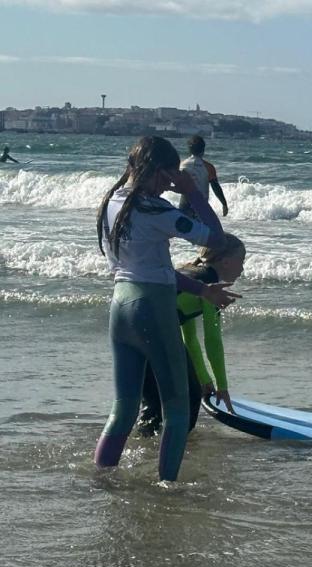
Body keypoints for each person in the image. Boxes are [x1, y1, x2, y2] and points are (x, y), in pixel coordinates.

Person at [94, 136, 238, 482]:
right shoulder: (155, 209)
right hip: (152, 311)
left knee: (123, 408)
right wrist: (191, 191)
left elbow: (152, 267)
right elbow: (217, 239)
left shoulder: (111, 203)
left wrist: (201, 289)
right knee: (176, 409)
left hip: (120, 308)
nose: (169, 185)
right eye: (168, 177)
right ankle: (166, 489)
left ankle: (101, 479)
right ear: (155, 171)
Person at [137, 234, 247, 436]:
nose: (242, 269)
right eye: (242, 261)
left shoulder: (192, 274)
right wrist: (222, 387)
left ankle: (145, 450)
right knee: (190, 395)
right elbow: (212, 341)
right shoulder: (209, 285)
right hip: (153, 333)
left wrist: (205, 379)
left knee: (153, 406)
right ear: (225, 261)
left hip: (132, 326)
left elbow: (189, 338)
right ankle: (178, 450)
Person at [179, 135, 229, 217]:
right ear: (203, 149)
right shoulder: (208, 167)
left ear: (189, 150)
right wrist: (224, 204)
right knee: (203, 229)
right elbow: (215, 187)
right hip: (201, 204)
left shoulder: (182, 165)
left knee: (185, 228)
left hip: (184, 204)